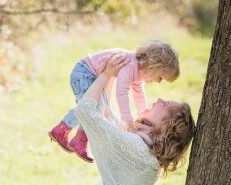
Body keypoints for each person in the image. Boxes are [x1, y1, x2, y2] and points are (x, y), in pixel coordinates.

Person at [48, 40, 180, 163]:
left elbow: (139, 94)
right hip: (84, 73)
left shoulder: (138, 71)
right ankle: (69, 134)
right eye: (161, 77)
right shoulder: (130, 65)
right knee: (90, 108)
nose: (158, 82)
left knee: (92, 109)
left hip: (89, 74)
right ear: (154, 66)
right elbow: (121, 93)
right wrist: (127, 120)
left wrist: (143, 114)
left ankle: (75, 138)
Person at [75, 56, 196, 184]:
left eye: (165, 104)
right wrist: (113, 75)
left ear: (165, 125)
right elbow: (107, 117)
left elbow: (84, 111)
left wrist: (105, 74)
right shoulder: (147, 146)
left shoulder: (137, 149)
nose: (160, 100)